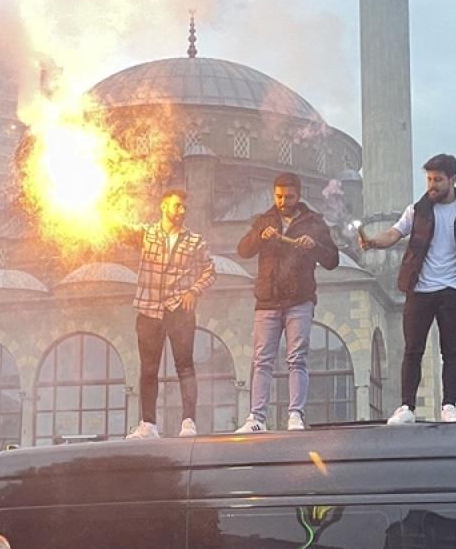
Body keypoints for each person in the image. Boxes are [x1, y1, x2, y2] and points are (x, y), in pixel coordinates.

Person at [358, 154, 456, 424]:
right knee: (412, 349)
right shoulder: (417, 210)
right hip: (419, 289)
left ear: (452, 180)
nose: (432, 185)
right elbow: (394, 233)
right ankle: (407, 407)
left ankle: (449, 406)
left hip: (453, 289)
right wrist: (372, 242)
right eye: (429, 179)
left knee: (451, 351)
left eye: (438, 180)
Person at [235, 172, 339, 433]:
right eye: (279, 197)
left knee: (297, 359)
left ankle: (295, 414)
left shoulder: (314, 222)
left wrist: (314, 246)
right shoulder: (264, 220)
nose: (283, 202)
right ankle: (257, 417)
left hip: (299, 300)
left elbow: (332, 260)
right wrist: (261, 237)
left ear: (298, 196)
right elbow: (243, 250)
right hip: (268, 300)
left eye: (289, 197)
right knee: (262, 360)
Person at [127, 186, 216, 439]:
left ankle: (188, 421)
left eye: (184, 207)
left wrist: (194, 291)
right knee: (148, 369)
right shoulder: (146, 234)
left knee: (185, 366)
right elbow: (118, 231)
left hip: (179, 311)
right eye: (177, 205)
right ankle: (148, 424)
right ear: (164, 206)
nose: (182, 211)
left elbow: (210, 270)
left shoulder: (194, 241)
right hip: (149, 309)